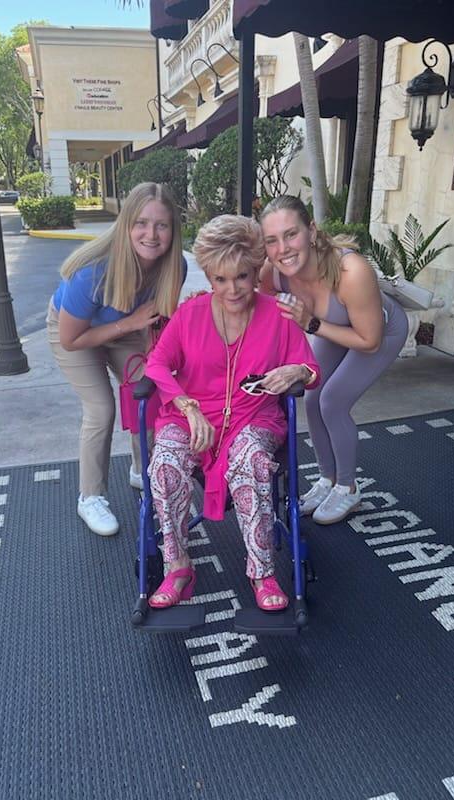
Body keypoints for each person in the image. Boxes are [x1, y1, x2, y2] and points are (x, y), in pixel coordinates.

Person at [144, 215, 320, 612]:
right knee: (165, 464)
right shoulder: (190, 315)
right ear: (208, 275)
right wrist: (187, 407)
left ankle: (261, 572)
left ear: (256, 270)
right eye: (220, 279)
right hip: (193, 418)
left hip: (253, 416)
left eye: (242, 276)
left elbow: (311, 371)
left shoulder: (279, 315)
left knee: (251, 458)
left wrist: (296, 370)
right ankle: (178, 566)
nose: (232, 289)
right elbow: (156, 365)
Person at [47, 182, 186, 537]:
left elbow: (162, 323)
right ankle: (90, 496)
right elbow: (71, 339)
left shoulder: (175, 267)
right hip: (77, 335)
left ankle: (143, 470)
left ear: (173, 229)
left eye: (161, 225)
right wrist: (130, 323)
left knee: (147, 392)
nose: (151, 234)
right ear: (125, 225)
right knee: (102, 408)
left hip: (127, 330)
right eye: (141, 223)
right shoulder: (93, 271)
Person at [259, 195, 408, 525]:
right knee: (312, 398)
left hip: (379, 332)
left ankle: (348, 487)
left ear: (311, 231)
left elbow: (369, 342)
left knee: (333, 402)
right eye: (272, 240)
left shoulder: (351, 271)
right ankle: (327, 480)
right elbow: (262, 313)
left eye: (291, 234)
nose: (282, 248)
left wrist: (310, 323)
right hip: (331, 326)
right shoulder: (273, 272)